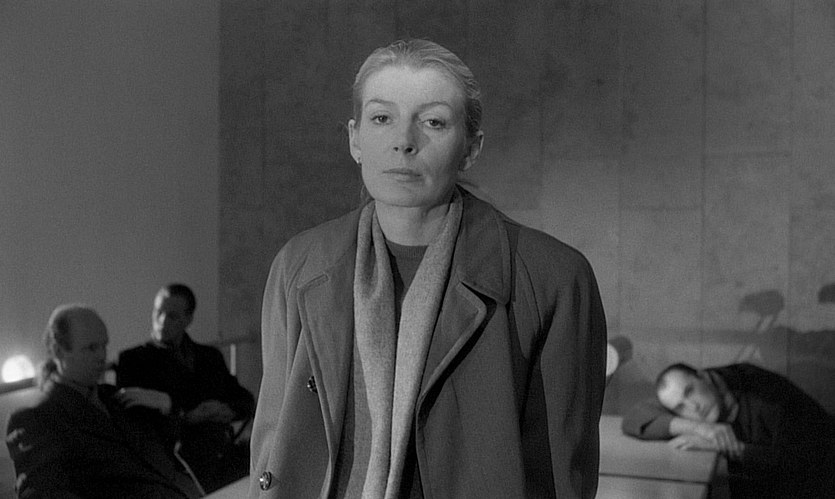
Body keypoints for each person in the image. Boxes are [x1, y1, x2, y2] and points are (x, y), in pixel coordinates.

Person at [249, 39, 607, 498]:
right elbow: (274, 440)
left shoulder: (552, 278)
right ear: (355, 139)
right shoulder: (300, 264)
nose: (404, 141)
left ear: (471, 148)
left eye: (433, 122)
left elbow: (559, 476)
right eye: (382, 118)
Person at [5, 304, 201, 499]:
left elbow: (161, 452)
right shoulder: (37, 418)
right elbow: (43, 493)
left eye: (103, 346)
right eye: (91, 348)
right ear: (59, 351)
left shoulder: (115, 397)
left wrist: (166, 405)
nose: (101, 356)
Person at [621, 362, 835, 498]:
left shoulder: (765, 397)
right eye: (680, 407)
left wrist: (730, 448)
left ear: (704, 377)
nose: (693, 407)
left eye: (690, 391)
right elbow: (634, 417)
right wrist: (699, 428)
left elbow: (803, 462)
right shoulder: (704, 394)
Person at [117, 283, 255, 493]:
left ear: (188, 319)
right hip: (174, 462)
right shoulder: (134, 360)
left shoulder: (209, 357)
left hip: (220, 454)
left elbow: (244, 399)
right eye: (158, 312)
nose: (162, 321)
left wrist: (226, 410)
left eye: (172, 316)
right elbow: (135, 422)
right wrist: (184, 414)